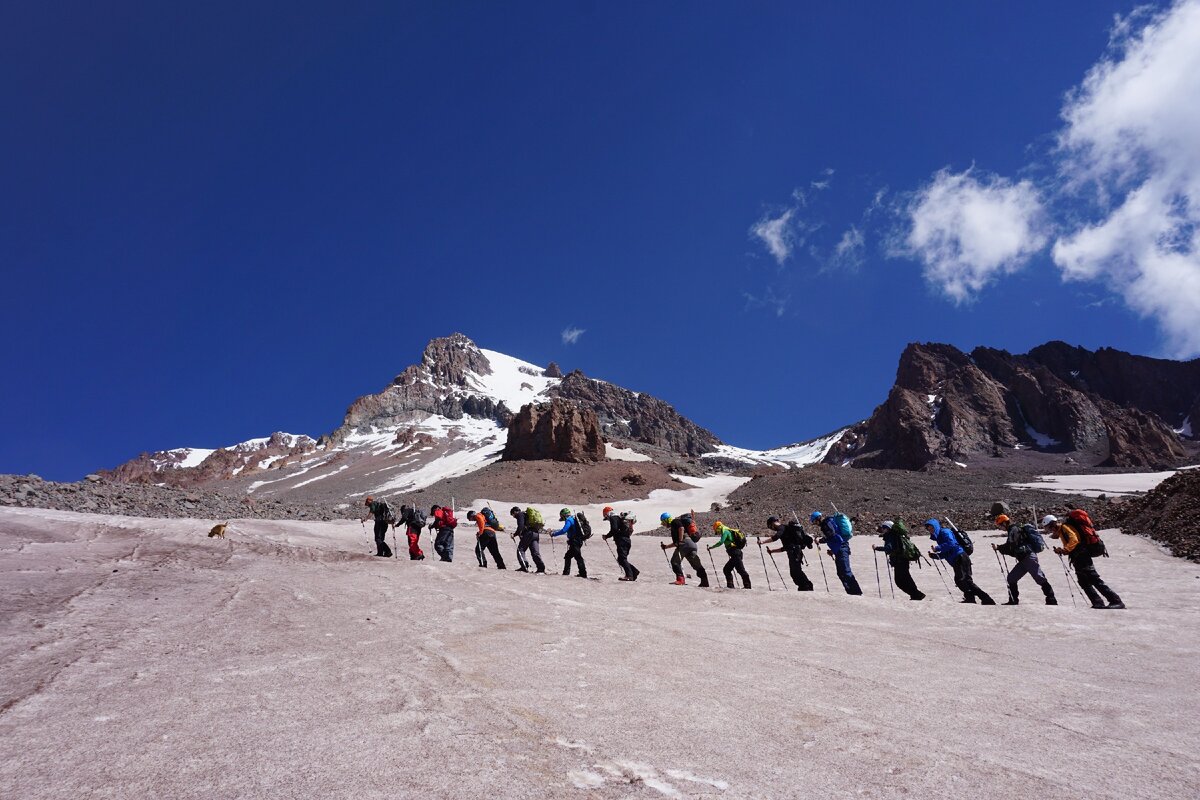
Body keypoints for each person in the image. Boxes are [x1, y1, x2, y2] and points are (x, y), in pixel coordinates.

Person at [1043, 514, 1124, 609]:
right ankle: (1097, 602)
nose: (1050, 530)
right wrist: (1064, 550)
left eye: (1049, 528)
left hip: (1082, 556)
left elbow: (1074, 539)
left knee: (1094, 578)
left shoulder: (1065, 527)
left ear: (1052, 524)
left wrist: (1065, 550)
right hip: (1078, 557)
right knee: (1083, 581)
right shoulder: (1061, 530)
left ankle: (1116, 600)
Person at [926, 518, 995, 604]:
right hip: (958, 559)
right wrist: (935, 556)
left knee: (962, 580)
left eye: (932, 528)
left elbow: (951, 544)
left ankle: (985, 598)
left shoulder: (944, 532)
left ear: (936, 526)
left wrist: (937, 548)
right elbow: (947, 552)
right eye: (929, 529)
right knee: (964, 580)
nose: (930, 530)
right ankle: (972, 598)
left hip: (960, 557)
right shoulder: (939, 537)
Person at [992, 514, 1055, 605]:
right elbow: (1013, 547)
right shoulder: (1014, 529)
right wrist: (1000, 548)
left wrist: (999, 547)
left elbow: (1011, 545)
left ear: (1005, 523)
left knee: (1039, 577)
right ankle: (1013, 600)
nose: (1000, 528)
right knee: (1011, 578)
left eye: (1000, 525)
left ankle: (1051, 599)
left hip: (1028, 557)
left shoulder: (1013, 529)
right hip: (1023, 559)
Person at [811, 511, 863, 595]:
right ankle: (852, 593)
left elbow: (831, 535)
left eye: (814, 522)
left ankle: (856, 593)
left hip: (841, 549)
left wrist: (820, 540)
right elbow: (836, 537)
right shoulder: (829, 522)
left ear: (818, 519)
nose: (815, 524)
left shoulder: (826, 523)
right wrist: (833, 550)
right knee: (841, 573)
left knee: (845, 572)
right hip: (840, 549)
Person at [758, 516, 814, 591]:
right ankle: (804, 586)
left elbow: (776, 537)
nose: (772, 529)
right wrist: (772, 551)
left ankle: (807, 586)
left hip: (794, 552)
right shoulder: (786, 530)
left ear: (772, 524)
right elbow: (785, 547)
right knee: (795, 571)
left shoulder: (781, 528)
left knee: (795, 571)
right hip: (795, 551)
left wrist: (762, 542)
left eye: (771, 527)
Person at [874, 520, 925, 601]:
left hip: (899, 561)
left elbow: (889, 548)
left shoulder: (890, 536)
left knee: (900, 581)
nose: (882, 529)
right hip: (903, 560)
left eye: (884, 527)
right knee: (906, 578)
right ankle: (916, 595)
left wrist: (877, 548)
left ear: (888, 528)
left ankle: (916, 595)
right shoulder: (895, 536)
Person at [659, 512, 709, 587]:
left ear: (666, 520)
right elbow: (676, 544)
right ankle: (704, 581)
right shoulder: (676, 526)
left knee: (675, 561)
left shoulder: (674, 522)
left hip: (685, 544)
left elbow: (681, 529)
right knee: (696, 564)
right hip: (692, 544)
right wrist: (666, 547)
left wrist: (681, 540)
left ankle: (680, 580)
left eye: (663, 522)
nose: (664, 524)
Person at [708, 520, 751, 589]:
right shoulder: (727, 531)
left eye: (716, 530)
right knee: (727, 569)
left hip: (735, 554)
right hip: (736, 554)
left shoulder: (725, 532)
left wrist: (711, 547)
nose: (717, 532)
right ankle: (730, 586)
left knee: (740, 570)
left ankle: (747, 586)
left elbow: (721, 542)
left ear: (718, 528)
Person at [601, 506, 639, 582]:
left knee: (622, 558)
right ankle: (634, 572)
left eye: (605, 516)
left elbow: (614, 529)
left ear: (606, 514)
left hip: (622, 540)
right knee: (621, 559)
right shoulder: (618, 518)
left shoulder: (613, 518)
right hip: (626, 540)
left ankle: (629, 575)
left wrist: (606, 536)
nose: (607, 519)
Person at [549, 508, 587, 578]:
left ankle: (582, 574)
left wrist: (554, 534)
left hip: (575, 541)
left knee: (577, 557)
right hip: (578, 540)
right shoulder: (573, 519)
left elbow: (564, 530)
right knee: (568, 556)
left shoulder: (569, 520)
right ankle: (567, 572)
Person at [510, 506, 546, 574]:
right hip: (535, 533)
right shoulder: (526, 515)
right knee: (535, 552)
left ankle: (524, 566)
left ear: (514, 512)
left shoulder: (520, 514)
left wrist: (515, 534)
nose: (513, 516)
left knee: (520, 550)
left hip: (528, 534)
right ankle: (541, 568)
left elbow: (520, 526)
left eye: (513, 515)